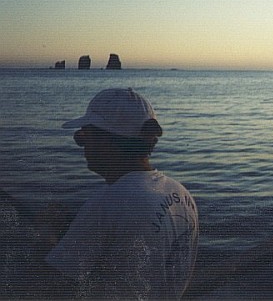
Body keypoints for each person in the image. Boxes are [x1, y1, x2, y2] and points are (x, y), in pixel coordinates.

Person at [43, 88, 199, 300]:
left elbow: (52, 284)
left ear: (105, 140)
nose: (82, 145)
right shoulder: (181, 194)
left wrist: (47, 238)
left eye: (84, 136)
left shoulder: (107, 205)